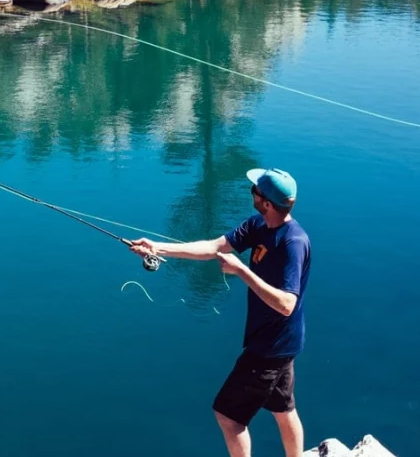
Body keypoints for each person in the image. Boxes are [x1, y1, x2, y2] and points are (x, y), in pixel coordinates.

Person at [128, 167, 311, 457]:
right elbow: (213, 247)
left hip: (270, 346)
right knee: (282, 407)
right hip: (282, 343)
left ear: (265, 202)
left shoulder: (293, 242)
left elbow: (286, 304)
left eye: (255, 189)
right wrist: (158, 248)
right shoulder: (258, 225)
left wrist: (242, 270)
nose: (250, 191)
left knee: (228, 416)